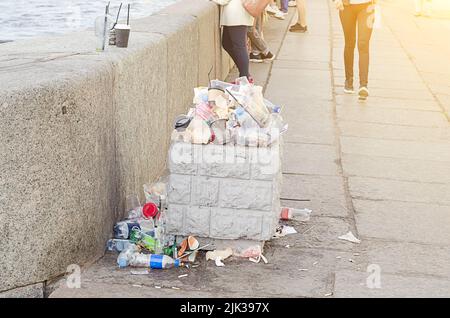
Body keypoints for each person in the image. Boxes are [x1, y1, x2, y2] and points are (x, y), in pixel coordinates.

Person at [333, 0, 375, 100]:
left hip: (368, 6)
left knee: (363, 44)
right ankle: (349, 80)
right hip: (346, 6)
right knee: (349, 43)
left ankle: (363, 85)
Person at [218, 0, 254, 79]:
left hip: (236, 14)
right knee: (227, 43)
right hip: (236, 12)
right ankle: (245, 74)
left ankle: (245, 78)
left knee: (239, 47)